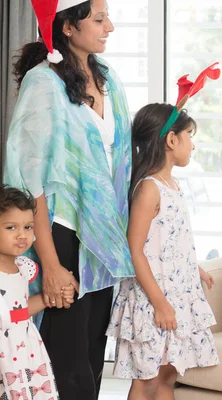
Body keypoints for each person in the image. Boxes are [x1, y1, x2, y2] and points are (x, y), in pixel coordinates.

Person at [3, 1, 134, 398]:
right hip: (61, 234)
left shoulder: (108, 78)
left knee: (93, 356)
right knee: (65, 363)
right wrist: (52, 264)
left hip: (103, 238)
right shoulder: (43, 83)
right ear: (68, 28)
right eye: (98, 19)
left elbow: (121, 160)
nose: (109, 26)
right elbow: (32, 181)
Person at [107, 64, 221, 400]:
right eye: (190, 138)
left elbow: (169, 240)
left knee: (169, 373)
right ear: (171, 139)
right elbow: (136, 249)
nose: (193, 147)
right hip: (153, 297)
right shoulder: (149, 188)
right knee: (147, 376)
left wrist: (192, 267)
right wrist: (159, 303)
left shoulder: (171, 184)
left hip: (177, 292)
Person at [0, 185, 76, 400]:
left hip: (22, 349)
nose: (22, 235)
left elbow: (20, 311)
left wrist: (49, 298)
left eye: (28, 227)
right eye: (11, 228)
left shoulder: (22, 268)